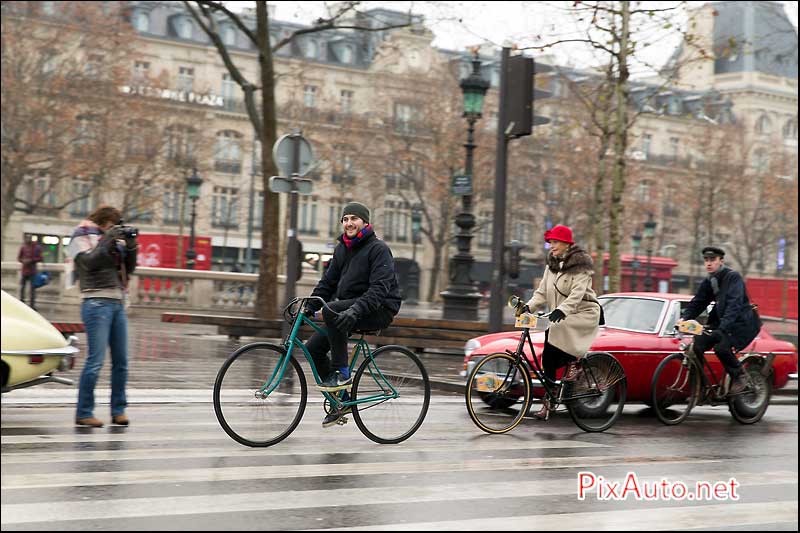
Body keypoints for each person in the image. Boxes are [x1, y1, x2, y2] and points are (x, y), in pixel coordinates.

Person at [303, 202, 402, 428]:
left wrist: (354, 310)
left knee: (333, 310)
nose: (349, 223)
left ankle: (342, 373)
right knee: (312, 348)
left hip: (379, 308)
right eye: (345, 219)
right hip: (349, 308)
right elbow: (328, 282)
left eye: (354, 219)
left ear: (365, 222)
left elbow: (379, 289)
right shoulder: (342, 249)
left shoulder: (379, 249)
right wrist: (309, 305)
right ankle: (343, 401)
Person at [68, 206, 138, 428]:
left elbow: (130, 268)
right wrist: (107, 239)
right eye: (112, 225)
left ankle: (119, 410)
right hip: (96, 302)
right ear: (104, 222)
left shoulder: (113, 241)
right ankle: (84, 412)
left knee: (122, 362)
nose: (114, 229)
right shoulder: (81, 235)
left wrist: (132, 245)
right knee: (95, 361)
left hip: (117, 302)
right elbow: (89, 262)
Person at [525, 225, 602, 420]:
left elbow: (576, 294)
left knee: (558, 328)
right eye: (550, 242)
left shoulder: (580, 267)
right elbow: (541, 293)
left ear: (567, 243)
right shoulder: (550, 267)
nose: (552, 246)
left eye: (555, 242)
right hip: (563, 315)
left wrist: (561, 310)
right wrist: (528, 307)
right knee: (548, 356)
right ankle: (549, 401)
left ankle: (574, 362)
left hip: (583, 312)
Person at [678, 246, 760, 395]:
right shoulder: (710, 280)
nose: (708, 263)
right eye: (706, 260)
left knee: (721, 348)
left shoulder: (733, 277)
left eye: (712, 260)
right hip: (723, 323)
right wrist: (684, 319)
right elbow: (698, 302)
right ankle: (700, 388)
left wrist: (722, 328)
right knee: (697, 345)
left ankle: (740, 376)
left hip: (741, 324)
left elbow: (734, 305)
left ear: (721, 261)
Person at [17, 234, 43, 309]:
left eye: (29, 238)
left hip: (32, 271)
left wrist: (31, 260)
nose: (28, 239)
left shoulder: (37, 247)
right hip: (24, 271)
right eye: (26, 238)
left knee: (32, 289)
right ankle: (21, 303)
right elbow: (19, 258)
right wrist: (23, 261)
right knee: (22, 288)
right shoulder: (23, 247)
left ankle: (32, 305)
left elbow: (40, 258)